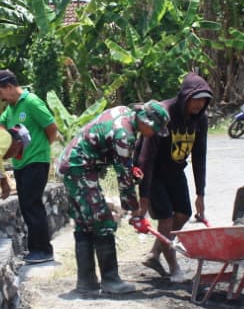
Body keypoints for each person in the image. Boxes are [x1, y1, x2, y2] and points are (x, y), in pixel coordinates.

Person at [57, 100, 171, 295]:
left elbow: (121, 164)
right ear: (145, 121)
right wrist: (136, 212)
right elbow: (123, 179)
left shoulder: (124, 113)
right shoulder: (124, 135)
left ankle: (86, 282)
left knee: (85, 223)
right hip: (79, 168)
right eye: (154, 129)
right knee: (103, 221)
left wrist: (129, 173)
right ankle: (110, 281)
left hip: (73, 165)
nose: (152, 134)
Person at [135, 73, 212, 282]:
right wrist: (144, 196)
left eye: (204, 100)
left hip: (176, 171)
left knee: (183, 214)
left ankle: (153, 254)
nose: (199, 104)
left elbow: (199, 156)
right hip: (155, 172)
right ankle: (174, 267)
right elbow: (146, 158)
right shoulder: (164, 113)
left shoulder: (200, 120)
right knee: (166, 219)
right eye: (196, 99)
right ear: (185, 96)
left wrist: (200, 193)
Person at [0, 69, 59, 264]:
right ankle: (36, 248)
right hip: (20, 163)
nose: (0, 97)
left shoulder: (31, 103)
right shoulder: (11, 108)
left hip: (36, 162)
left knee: (32, 204)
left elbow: (52, 129)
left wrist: (40, 150)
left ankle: (43, 250)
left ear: (10, 87)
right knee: (27, 205)